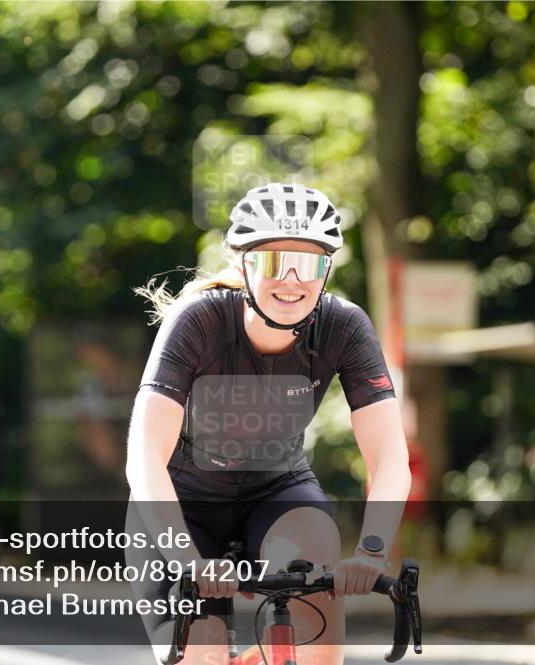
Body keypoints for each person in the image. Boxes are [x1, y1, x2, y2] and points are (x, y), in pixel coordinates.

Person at [125, 183, 411, 664]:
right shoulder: (197, 322)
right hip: (182, 501)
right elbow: (144, 458)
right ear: (244, 266)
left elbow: (389, 457)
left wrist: (371, 552)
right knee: (203, 650)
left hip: (277, 491)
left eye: (311, 265)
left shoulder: (344, 326)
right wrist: (186, 562)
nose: (292, 281)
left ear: (327, 272)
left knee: (317, 607)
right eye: (275, 262)